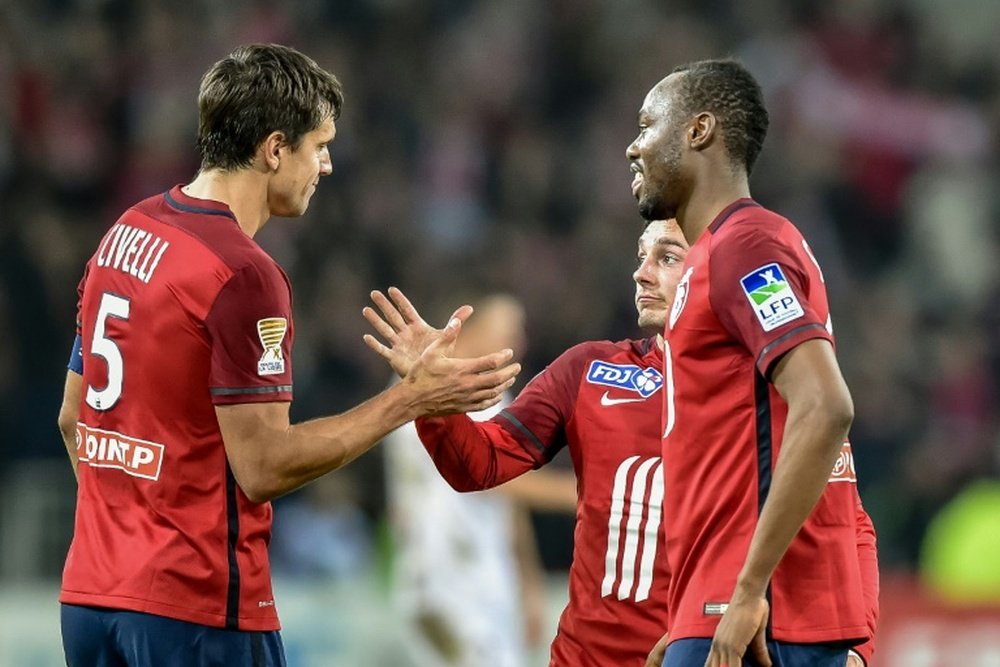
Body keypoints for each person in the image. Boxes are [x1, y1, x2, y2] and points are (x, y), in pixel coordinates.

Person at [55, 43, 520, 667]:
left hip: (89, 598)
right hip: (196, 608)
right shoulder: (245, 273)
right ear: (275, 149)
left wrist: (127, 531)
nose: (325, 166)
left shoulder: (124, 232)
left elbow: (72, 417)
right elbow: (265, 466)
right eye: (319, 146)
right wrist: (410, 400)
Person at [363, 218, 877, 667]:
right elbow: (480, 464)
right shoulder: (588, 370)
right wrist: (431, 402)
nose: (642, 271)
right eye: (641, 255)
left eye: (667, 257)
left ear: (709, 275)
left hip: (705, 649)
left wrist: (858, 650)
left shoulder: (778, 392)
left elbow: (849, 524)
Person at [626, 59, 876, 667]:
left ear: (698, 130)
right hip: (721, 603)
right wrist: (694, 605)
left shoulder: (745, 245)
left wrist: (743, 593)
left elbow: (825, 407)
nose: (633, 146)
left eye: (646, 125)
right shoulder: (715, 255)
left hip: (762, 616)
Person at [384, 293, 546, 667]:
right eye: (509, 329)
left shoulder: (493, 394)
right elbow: (492, 476)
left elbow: (508, 498)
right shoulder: (423, 384)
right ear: (470, 329)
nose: (518, 340)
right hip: (441, 572)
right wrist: (584, 488)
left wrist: (529, 582)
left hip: (488, 574)